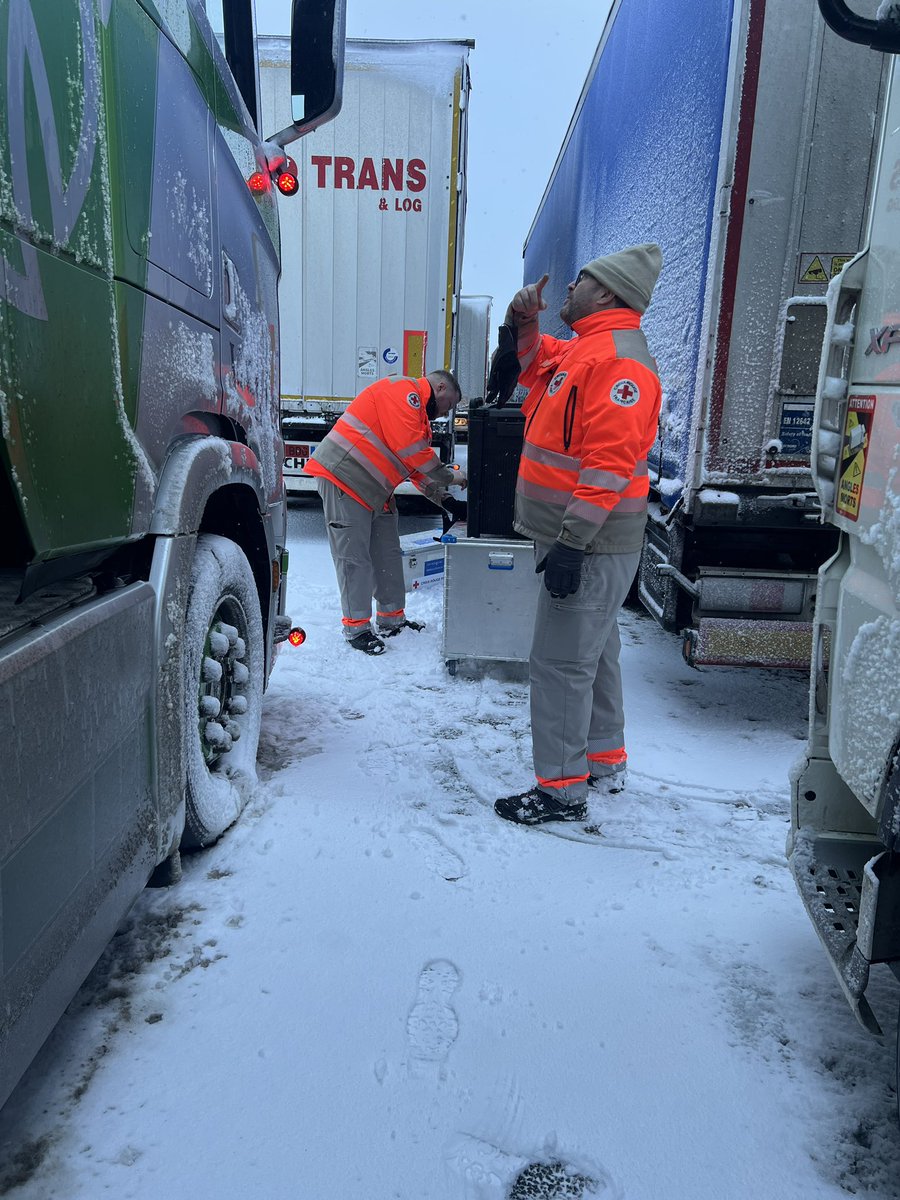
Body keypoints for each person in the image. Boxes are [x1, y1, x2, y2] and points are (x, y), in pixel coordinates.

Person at [493, 244, 663, 824]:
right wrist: (522, 319)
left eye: (582, 280)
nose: (569, 287)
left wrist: (572, 541)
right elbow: (535, 363)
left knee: (560, 663)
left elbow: (609, 463)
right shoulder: (588, 348)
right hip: (587, 539)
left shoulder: (618, 362)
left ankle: (562, 791)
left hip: (589, 542)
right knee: (596, 650)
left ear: (608, 293)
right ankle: (603, 759)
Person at [305, 369, 467, 655]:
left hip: (375, 489)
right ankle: (357, 628)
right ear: (441, 387)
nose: (446, 413)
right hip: (344, 478)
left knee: (388, 554)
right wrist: (449, 476)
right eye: (449, 405)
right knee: (354, 558)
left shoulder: (418, 419)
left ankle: (392, 620)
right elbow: (413, 451)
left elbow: (415, 468)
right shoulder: (403, 392)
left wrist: (446, 500)